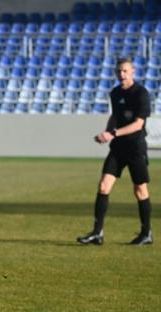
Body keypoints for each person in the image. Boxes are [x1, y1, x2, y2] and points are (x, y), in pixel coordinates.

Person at [78, 57, 153, 245]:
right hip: (118, 148)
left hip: (135, 148)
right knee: (103, 186)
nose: (122, 74)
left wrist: (112, 133)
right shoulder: (115, 93)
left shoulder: (141, 93)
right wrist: (106, 132)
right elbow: (115, 116)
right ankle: (97, 233)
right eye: (119, 71)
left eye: (125, 71)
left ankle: (146, 233)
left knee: (140, 190)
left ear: (133, 72)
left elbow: (138, 125)